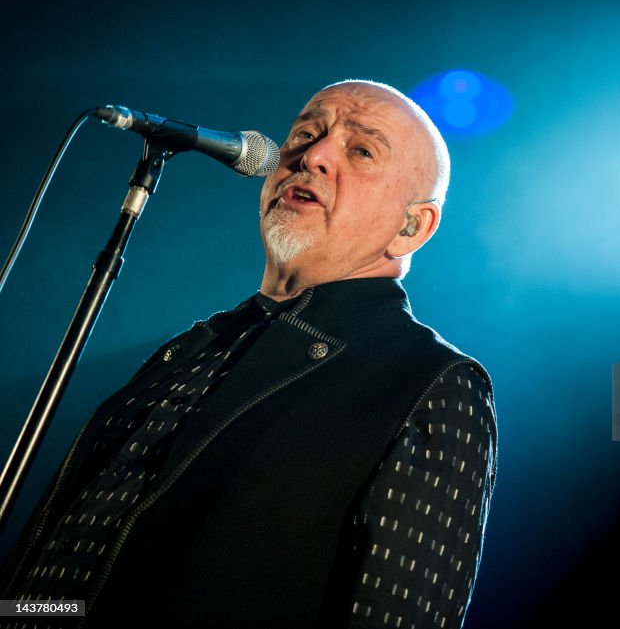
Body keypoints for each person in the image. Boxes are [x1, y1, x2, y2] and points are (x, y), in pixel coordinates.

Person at [0, 80, 497, 629]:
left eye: (361, 151)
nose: (313, 155)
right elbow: (74, 579)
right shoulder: (197, 347)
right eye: (306, 133)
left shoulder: (428, 384)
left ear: (412, 226)